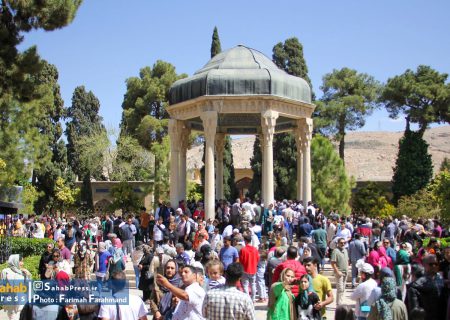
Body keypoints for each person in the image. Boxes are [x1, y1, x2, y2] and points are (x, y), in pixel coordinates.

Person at [0, 254, 32, 320]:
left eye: (22, 261)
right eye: (20, 261)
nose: (22, 263)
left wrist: (28, 276)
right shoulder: (6, 271)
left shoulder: (23, 272)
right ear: (14, 261)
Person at [239, 233, 260, 302]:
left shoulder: (243, 250)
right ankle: (253, 299)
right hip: (253, 269)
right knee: (253, 284)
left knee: (245, 285)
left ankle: (247, 299)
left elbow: (241, 260)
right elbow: (257, 259)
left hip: (245, 269)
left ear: (245, 241)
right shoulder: (255, 249)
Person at [331, 237, 349, 306]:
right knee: (340, 289)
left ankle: (340, 302)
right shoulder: (335, 251)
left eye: (344, 243)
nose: (343, 244)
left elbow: (347, 260)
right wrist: (337, 271)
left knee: (343, 288)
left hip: (345, 272)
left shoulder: (345, 250)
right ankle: (339, 304)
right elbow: (333, 262)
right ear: (338, 243)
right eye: (341, 243)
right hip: (339, 272)